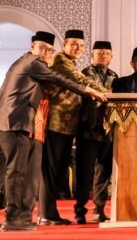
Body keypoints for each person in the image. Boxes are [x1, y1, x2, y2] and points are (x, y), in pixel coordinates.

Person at [0, 31, 106, 232]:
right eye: (42, 48)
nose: (45, 53)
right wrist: (88, 90)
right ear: (32, 46)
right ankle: (14, 219)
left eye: (49, 50)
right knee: (17, 172)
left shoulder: (18, 62)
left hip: (4, 123)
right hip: (17, 124)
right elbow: (59, 78)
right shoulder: (34, 63)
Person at [40, 30, 110, 226]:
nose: (78, 48)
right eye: (73, 44)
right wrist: (108, 94)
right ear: (64, 45)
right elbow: (82, 81)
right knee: (52, 171)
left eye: (81, 45)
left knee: (59, 171)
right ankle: (45, 214)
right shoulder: (61, 60)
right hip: (56, 124)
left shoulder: (70, 62)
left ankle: (50, 213)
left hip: (67, 127)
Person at [74, 40, 120, 224]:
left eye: (107, 53)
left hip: (108, 131)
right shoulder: (84, 74)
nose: (104, 56)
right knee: (84, 172)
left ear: (111, 56)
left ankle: (99, 209)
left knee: (104, 171)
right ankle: (80, 210)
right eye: (100, 53)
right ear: (92, 56)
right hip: (88, 130)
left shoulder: (115, 77)